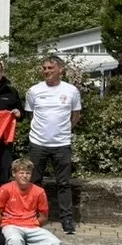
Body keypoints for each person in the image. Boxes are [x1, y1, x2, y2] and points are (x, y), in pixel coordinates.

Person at [26, 55, 82, 234]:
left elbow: (76, 114)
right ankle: (31, 215)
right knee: (34, 182)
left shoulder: (71, 90)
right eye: (44, 68)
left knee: (64, 183)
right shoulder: (34, 90)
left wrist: (64, 130)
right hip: (38, 143)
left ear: (60, 69)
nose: (47, 71)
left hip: (62, 144)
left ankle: (67, 220)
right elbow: (30, 115)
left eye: (50, 68)